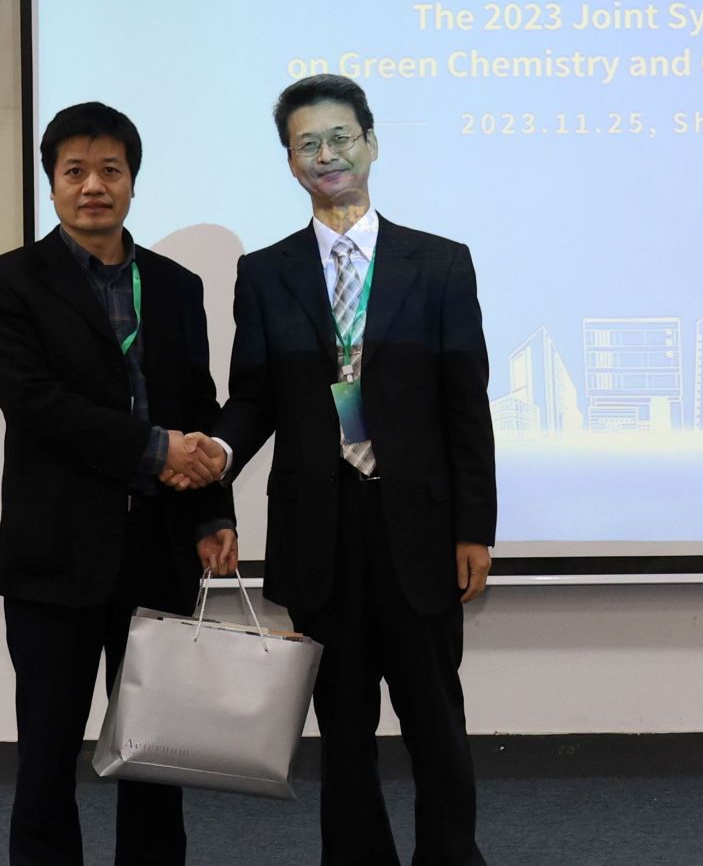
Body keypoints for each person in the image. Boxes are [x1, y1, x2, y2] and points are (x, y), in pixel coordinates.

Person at [212, 74, 496, 865]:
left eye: (340, 137)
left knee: (435, 719)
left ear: (370, 143)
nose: (326, 154)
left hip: (419, 529)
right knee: (340, 728)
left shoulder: (439, 264)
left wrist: (474, 528)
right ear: (290, 161)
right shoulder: (266, 273)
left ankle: (451, 856)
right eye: (307, 143)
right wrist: (218, 455)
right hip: (320, 532)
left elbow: (465, 406)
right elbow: (254, 396)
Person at [0, 101, 237, 866]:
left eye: (110, 170)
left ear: (132, 181)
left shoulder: (176, 286)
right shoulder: (5, 284)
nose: (94, 185)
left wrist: (212, 512)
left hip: (158, 550)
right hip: (55, 555)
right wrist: (157, 448)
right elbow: (37, 405)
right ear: (52, 183)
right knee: (47, 758)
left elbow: (198, 402)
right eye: (75, 170)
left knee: (156, 758)